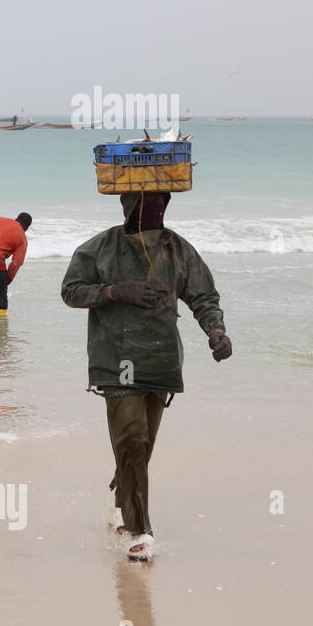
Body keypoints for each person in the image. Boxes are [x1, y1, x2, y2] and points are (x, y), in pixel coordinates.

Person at [61, 192, 232, 561]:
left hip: (161, 359)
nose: (156, 210)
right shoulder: (99, 248)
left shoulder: (177, 248)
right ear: (129, 207)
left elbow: (203, 296)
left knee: (143, 446)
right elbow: (70, 292)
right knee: (133, 442)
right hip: (115, 359)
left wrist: (216, 331)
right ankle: (139, 531)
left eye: (161, 203)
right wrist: (112, 291)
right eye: (148, 204)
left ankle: (120, 494)